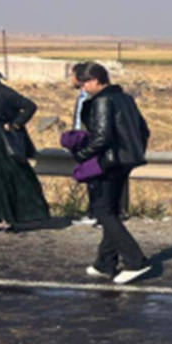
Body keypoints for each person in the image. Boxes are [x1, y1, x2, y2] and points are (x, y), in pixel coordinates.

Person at [73, 62, 153, 284]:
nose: (82, 89)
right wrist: (133, 151)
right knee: (109, 211)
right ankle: (105, 263)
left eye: (83, 84)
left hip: (108, 163)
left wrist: (81, 155)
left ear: (95, 80)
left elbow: (101, 137)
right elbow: (144, 129)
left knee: (102, 210)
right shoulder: (125, 98)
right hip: (124, 161)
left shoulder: (102, 101)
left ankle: (136, 261)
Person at [0, 60, 50, 231]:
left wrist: (16, 124)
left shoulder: (3, 93)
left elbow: (29, 106)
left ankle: (13, 219)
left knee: (5, 179)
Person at [67, 62, 99, 228]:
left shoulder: (94, 97)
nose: (70, 79)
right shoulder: (81, 96)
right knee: (90, 178)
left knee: (96, 179)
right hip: (82, 140)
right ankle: (94, 211)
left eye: (72, 75)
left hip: (92, 141)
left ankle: (98, 213)